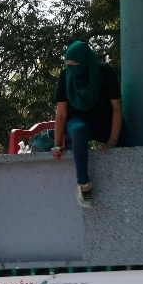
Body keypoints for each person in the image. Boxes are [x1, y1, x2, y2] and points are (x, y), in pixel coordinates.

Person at [51, 40, 125, 208]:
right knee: (79, 130)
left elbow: (116, 108)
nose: (71, 68)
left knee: (129, 143)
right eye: (67, 63)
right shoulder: (65, 76)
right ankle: (84, 186)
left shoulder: (104, 73)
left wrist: (113, 141)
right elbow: (62, 114)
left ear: (85, 62)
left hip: (103, 120)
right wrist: (57, 145)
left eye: (75, 63)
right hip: (77, 120)